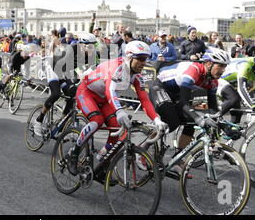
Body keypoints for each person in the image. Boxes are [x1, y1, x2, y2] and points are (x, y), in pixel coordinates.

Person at [67, 41, 168, 177]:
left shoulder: (137, 76)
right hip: (87, 92)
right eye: (141, 59)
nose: (144, 63)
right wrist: (119, 111)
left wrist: (157, 120)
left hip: (103, 98)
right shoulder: (117, 68)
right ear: (129, 57)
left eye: (146, 59)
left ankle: (103, 159)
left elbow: (144, 100)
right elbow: (110, 90)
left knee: (117, 129)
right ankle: (75, 151)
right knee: (97, 121)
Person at [149, 48, 232, 174]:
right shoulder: (194, 69)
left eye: (224, 67)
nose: (223, 70)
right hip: (160, 87)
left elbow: (213, 110)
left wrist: (225, 127)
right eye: (220, 65)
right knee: (172, 121)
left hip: (178, 92)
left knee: (192, 122)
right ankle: (143, 148)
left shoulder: (212, 81)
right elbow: (183, 101)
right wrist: (199, 118)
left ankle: (178, 160)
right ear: (208, 63)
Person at [32, 33, 99, 136]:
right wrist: (71, 83)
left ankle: (63, 121)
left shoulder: (92, 54)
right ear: (81, 45)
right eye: (90, 46)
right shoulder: (71, 50)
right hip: (55, 69)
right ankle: (39, 120)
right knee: (56, 94)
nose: (92, 49)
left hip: (68, 71)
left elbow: (94, 70)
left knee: (73, 95)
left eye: (94, 46)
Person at [217, 50, 255, 125]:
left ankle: (229, 134)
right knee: (234, 98)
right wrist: (254, 107)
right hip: (217, 79)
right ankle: (214, 117)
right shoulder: (246, 65)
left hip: (228, 83)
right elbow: (241, 89)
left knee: (237, 114)